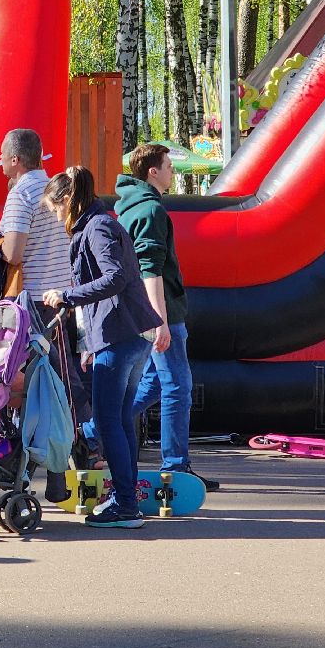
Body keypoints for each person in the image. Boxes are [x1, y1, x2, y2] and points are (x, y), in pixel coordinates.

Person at [40, 166, 161, 530]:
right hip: (128, 335)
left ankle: (125, 504)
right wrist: (87, 339)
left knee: (109, 422)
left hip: (119, 335)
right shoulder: (100, 223)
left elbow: (115, 277)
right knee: (121, 421)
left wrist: (66, 295)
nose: (56, 217)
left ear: (67, 200)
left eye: (55, 209)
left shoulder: (97, 227)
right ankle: (127, 499)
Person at [118, 143, 219, 492]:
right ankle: (176, 467)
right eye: (168, 166)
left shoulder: (133, 206)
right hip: (163, 313)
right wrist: (159, 320)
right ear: (153, 171)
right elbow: (151, 269)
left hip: (146, 311)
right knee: (178, 386)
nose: (172, 172)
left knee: (154, 384)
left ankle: (90, 431)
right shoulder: (150, 211)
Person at [0, 128, 85, 425]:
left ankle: (77, 436)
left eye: (2, 156)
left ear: (15, 159)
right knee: (61, 372)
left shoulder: (21, 194)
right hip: (62, 294)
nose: (0, 162)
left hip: (33, 299)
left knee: (43, 375)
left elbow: (14, 253)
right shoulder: (55, 189)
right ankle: (77, 436)